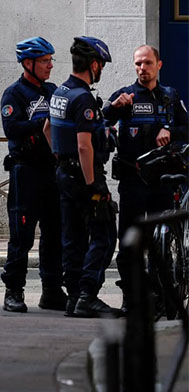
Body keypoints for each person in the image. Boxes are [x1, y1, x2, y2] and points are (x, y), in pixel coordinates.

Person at [102, 45, 188, 312]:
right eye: (138, 64)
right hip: (133, 181)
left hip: (162, 182)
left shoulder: (171, 98)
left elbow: (187, 129)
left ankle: (162, 295)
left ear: (158, 65)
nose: (142, 68)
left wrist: (170, 131)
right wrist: (113, 107)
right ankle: (131, 296)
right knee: (130, 242)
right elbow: (101, 119)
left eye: (147, 63)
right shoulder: (125, 96)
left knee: (162, 244)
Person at [45, 36, 119, 318]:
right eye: (102, 65)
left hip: (63, 172)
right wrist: (92, 186)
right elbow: (85, 145)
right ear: (95, 64)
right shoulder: (83, 97)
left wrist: (60, 159)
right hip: (83, 174)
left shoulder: (60, 92)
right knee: (104, 233)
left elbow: (47, 129)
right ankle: (88, 295)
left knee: (72, 236)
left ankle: (74, 296)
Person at [0, 37, 66, 313]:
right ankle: (13, 290)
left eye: (51, 60)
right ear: (28, 64)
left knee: (55, 232)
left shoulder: (53, 91)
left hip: (52, 172)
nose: (50, 65)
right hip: (26, 172)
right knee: (22, 235)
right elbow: (12, 128)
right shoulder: (14, 94)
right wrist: (41, 123)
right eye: (44, 61)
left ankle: (51, 289)